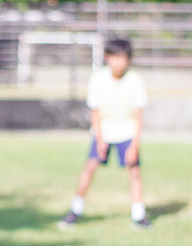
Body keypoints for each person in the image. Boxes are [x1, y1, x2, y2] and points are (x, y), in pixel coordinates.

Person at [59, 38, 151, 229]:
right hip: (104, 132)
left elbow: (138, 116)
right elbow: (96, 112)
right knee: (90, 168)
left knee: (134, 172)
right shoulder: (98, 79)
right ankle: (76, 210)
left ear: (129, 60)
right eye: (114, 57)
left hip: (127, 133)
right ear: (107, 58)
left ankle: (138, 215)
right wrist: (99, 139)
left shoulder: (135, 81)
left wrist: (134, 145)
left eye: (122, 58)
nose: (118, 62)